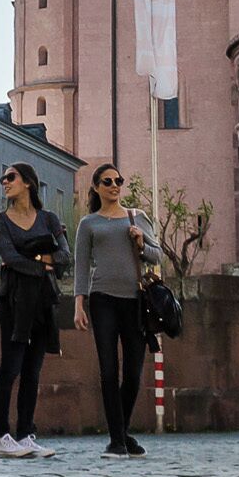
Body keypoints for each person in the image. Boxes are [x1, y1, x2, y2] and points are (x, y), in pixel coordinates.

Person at [74, 161, 163, 458]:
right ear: (97, 188)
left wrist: (140, 243)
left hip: (135, 301)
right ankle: (117, 441)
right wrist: (79, 304)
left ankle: (122, 433)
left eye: (118, 181)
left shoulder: (136, 217)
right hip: (103, 300)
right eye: (108, 182)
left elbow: (156, 255)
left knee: (134, 373)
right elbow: (82, 266)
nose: (115, 186)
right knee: (109, 370)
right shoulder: (88, 224)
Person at [0, 161, 67, 459]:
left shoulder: (48, 219)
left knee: (33, 371)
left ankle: (25, 434)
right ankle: (1, 436)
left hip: (43, 301)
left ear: (28, 183)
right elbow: (9, 256)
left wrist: (33, 259)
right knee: (10, 368)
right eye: (3, 178)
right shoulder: (2, 220)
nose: (5, 182)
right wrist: (43, 260)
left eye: (11, 177)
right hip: (13, 301)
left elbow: (64, 256)